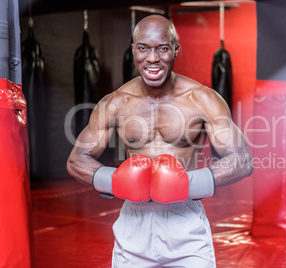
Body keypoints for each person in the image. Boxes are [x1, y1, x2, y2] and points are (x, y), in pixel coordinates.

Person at [66, 14, 253, 267]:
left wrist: (187, 184)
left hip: (185, 224)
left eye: (162, 49)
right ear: (133, 50)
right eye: (143, 48)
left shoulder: (203, 99)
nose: (152, 59)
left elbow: (242, 160)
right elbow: (77, 160)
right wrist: (115, 181)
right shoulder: (115, 103)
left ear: (176, 49)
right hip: (134, 225)